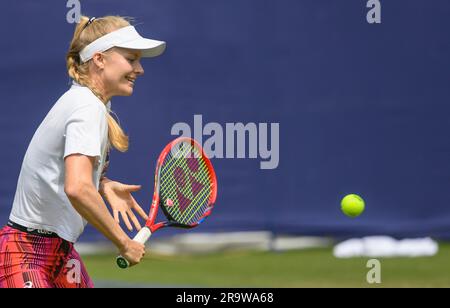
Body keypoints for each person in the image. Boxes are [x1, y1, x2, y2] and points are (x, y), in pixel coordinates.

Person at [0, 15, 166, 288]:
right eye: (131, 59)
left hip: (61, 252)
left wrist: (102, 184)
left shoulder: (90, 104)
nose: (139, 69)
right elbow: (77, 188)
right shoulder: (86, 107)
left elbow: (67, 172)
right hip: (25, 252)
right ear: (99, 59)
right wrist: (124, 242)